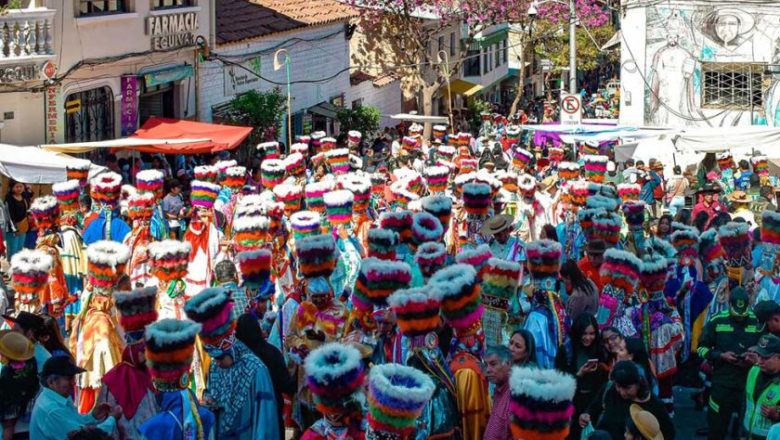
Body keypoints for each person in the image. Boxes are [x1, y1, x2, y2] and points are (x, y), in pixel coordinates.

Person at [185, 287, 280, 440]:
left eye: (220, 358)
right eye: (214, 358)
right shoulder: (215, 367)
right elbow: (213, 396)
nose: (216, 363)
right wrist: (209, 401)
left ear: (231, 349)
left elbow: (266, 425)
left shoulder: (256, 371)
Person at [697, 287, 761, 440]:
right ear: (729, 305)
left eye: (743, 316)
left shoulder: (757, 322)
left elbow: (768, 352)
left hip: (748, 386)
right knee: (716, 430)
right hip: (722, 384)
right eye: (736, 316)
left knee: (744, 432)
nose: (740, 319)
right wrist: (720, 356)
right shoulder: (716, 320)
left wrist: (754, 358)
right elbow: (701, 348)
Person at [235, 314, 296, 440]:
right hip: (271, 412)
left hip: (244, 417)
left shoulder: (236, 357)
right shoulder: (272, 352)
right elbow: (286, 385)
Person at [579, 361, 674, 440]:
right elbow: (594, 407)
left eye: (627, 388)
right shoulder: (609, 390)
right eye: (618, 386)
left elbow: (668, 433)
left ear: (638, 383)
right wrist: (586, 416)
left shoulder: (654, 405)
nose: (622, 392)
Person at [30, 357, 122, 439]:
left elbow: (76, 422)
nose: (73, 382)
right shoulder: (51, 410)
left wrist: (92, 416)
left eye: (73, 378)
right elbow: (84, 437)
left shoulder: (56, 398)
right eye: (69, 378)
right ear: (51, 382)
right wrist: (112, 419)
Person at [555, 314, 608, 440]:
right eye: (584, 334)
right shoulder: (566, 351)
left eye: (592, 333)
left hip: (592, 402)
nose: (588, 338)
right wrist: (579, 375)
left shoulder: (599, 350)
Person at [0, 330, 38, 440]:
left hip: (14, 426)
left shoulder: (8, 373)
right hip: (31, 419)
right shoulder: (32, 362)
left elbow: (9, 419)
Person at [743, 334, 780, 439]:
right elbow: (745, 403)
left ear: (778, 357)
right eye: (758, 355)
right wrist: (741, 433)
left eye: (765, 358)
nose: (759, 361)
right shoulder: (754, 370)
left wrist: (778, 415)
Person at [483, 345, 513, 440]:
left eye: (493, 364)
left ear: (508, 364)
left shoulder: (515, 396)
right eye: (486, 365)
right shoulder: (499, 390)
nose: (487, 370)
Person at [4, 180, 29, 259]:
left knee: (20, 248)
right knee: (13, 249)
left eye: (21, 186)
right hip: (12, 227)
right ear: (12, 188)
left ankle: (18, 266)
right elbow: (9, 214)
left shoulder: (24, 197)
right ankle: (11, 266)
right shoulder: (9, 198)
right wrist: (14, 227)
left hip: (22, 226)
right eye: (17, 187)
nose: (19, 188)